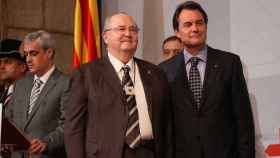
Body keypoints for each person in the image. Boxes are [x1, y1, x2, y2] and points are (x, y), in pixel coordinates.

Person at [64, 12, 172, 158]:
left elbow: (166, 125)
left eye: (133, 30)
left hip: (147, 153)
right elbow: (74, 128)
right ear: (105, 37)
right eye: (121, 29)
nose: (128, 34)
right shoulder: (85, 74)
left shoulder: (155, 73)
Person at [159, 1, 255, 158]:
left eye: (199, 23)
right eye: (188, 24)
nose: (195, 29)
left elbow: (243, 119)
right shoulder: (164, 70)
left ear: (206, 26)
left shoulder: (229, 63)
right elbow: (165, 125)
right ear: (177, 31)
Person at [5, 30, 70, 158]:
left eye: (33, 54)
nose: (28, 59)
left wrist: (47, 142)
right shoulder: (20, 84)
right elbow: (9, 119)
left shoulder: (66, 83)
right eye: (26, 54)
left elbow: (68, 125)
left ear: (49, 53)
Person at [0, 39, 27, 107]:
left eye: (7, 62)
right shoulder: (3, 92)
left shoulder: (29, 95)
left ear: (22, 67)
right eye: (0, 63)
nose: (1, 66)